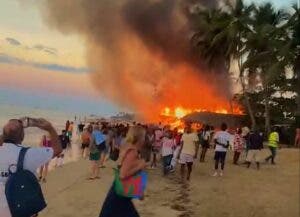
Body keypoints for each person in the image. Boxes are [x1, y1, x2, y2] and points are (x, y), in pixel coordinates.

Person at [0, 118, 62, 217]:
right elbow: (58, 149)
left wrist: (8, 132)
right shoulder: (29, 154)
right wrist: (50, 128)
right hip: (22, 210)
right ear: (22, 136)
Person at [99, 126, 146, 217]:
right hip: (120, 196)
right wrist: (140, 166)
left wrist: (140, 191)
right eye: (144, 136)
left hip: (121, 193)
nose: (144, 139)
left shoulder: (128, 148)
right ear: (139, 138)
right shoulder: (132, 152)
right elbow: (123, 174)